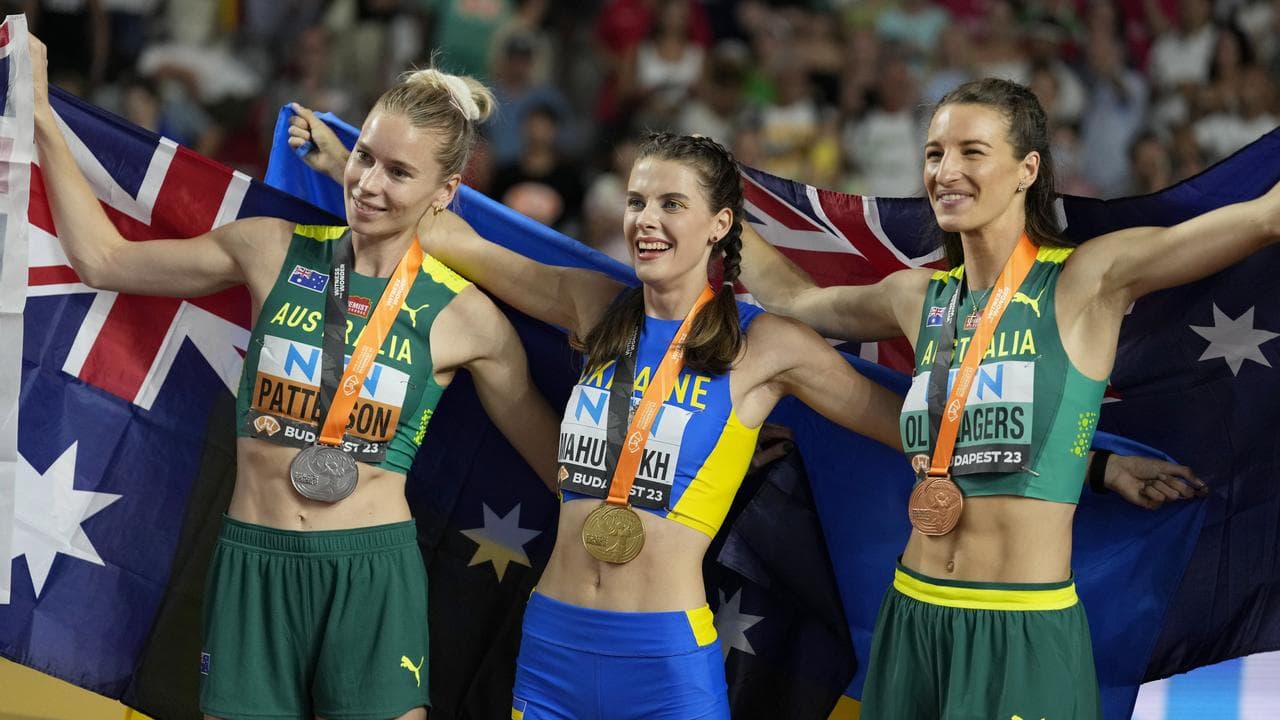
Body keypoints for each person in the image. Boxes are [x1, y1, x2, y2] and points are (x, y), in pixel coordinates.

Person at [289, 112, 905, 717]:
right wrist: (352, 169)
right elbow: (457, 242)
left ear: (720, 224)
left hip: (666, 661)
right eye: (637, 202)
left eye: (672, 204)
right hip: (553, 643)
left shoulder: (766, 347)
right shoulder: (594, 305)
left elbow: (904, 424)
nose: (646, 221)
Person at [30, 36, 559, 720]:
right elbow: (104, 260)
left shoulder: (468, 319)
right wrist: (41, 114)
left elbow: (558, 469)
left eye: (399, 172)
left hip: (373, 574)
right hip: (255, 562)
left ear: (445, 192)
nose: (368, 184)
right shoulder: (268, 247)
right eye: (364, 157)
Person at [738, 77, 1276, 719]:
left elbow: (1264, 217)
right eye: (935, 153)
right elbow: (794, 300)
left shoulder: (1089, 281)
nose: (946, 171)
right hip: (913, 612)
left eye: (972, 151)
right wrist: (713, 208)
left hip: (1023, 626)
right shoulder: (915, 298)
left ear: (1027, 170)